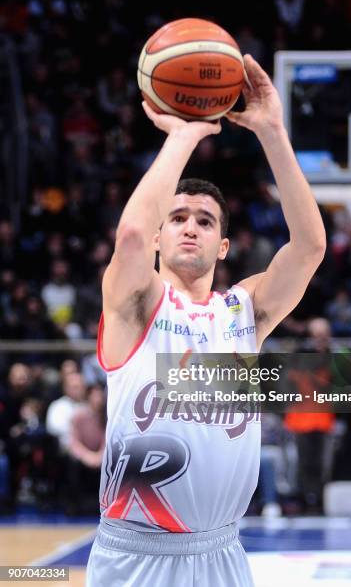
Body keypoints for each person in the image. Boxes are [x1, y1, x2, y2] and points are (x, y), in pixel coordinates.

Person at [86, 54, 326, 587]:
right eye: (176, 218)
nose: (190, 226)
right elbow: (128, 237)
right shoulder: (137, 303)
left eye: (204, 219)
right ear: (157, 237)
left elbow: (309, 247)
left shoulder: (243, 311)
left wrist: (272, 132)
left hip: (222, 552)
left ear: (222, 246)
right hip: (135, 556)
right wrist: (185, 135)